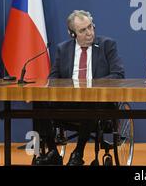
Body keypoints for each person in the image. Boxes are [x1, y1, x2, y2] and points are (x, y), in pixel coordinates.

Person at [34, 10, 125, 166]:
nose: (89, 33)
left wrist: (91, 86)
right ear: (73, 34)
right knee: (39, 102)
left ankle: (78, 152)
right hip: (67, 101)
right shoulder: (63, 49)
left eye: (91, 27)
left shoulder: (107, 45)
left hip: (95, 102)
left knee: (89, 101)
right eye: (83, 30)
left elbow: (118, 75)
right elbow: (53, 78)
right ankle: (53, 152)